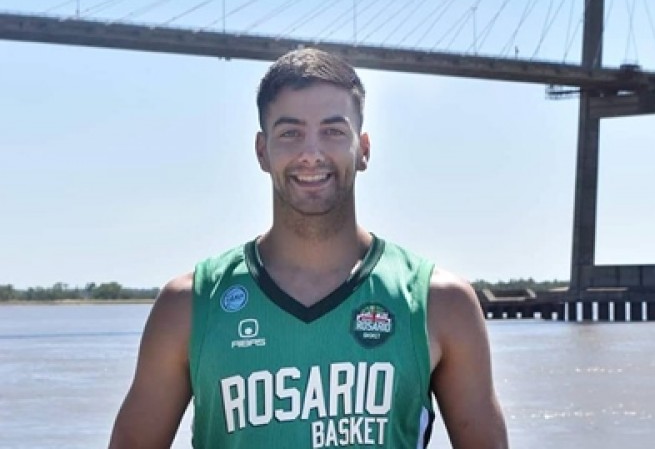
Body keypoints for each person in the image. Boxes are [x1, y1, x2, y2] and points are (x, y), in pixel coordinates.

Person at [108, 48, 508, 449]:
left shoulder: (438, 302)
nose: (311, 153)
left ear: (363, 148)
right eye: (290, 133)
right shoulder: (191, 305)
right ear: (262, 151)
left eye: (333, 131)